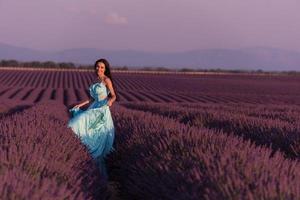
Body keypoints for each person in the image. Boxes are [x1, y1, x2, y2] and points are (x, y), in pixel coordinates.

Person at [67, 58, 116, 178]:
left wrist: (110, 101)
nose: (99, 69)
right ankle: (82, 155)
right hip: (93, 107)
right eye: (98, 67)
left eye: (102, 67)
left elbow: (114, 95)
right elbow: (92, 98)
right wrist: (81, 104)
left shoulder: (106, 80)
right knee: (86, 129)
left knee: (79, 124)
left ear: (105, 69)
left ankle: (93, 158)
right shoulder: (95, 80)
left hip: (101, 110)